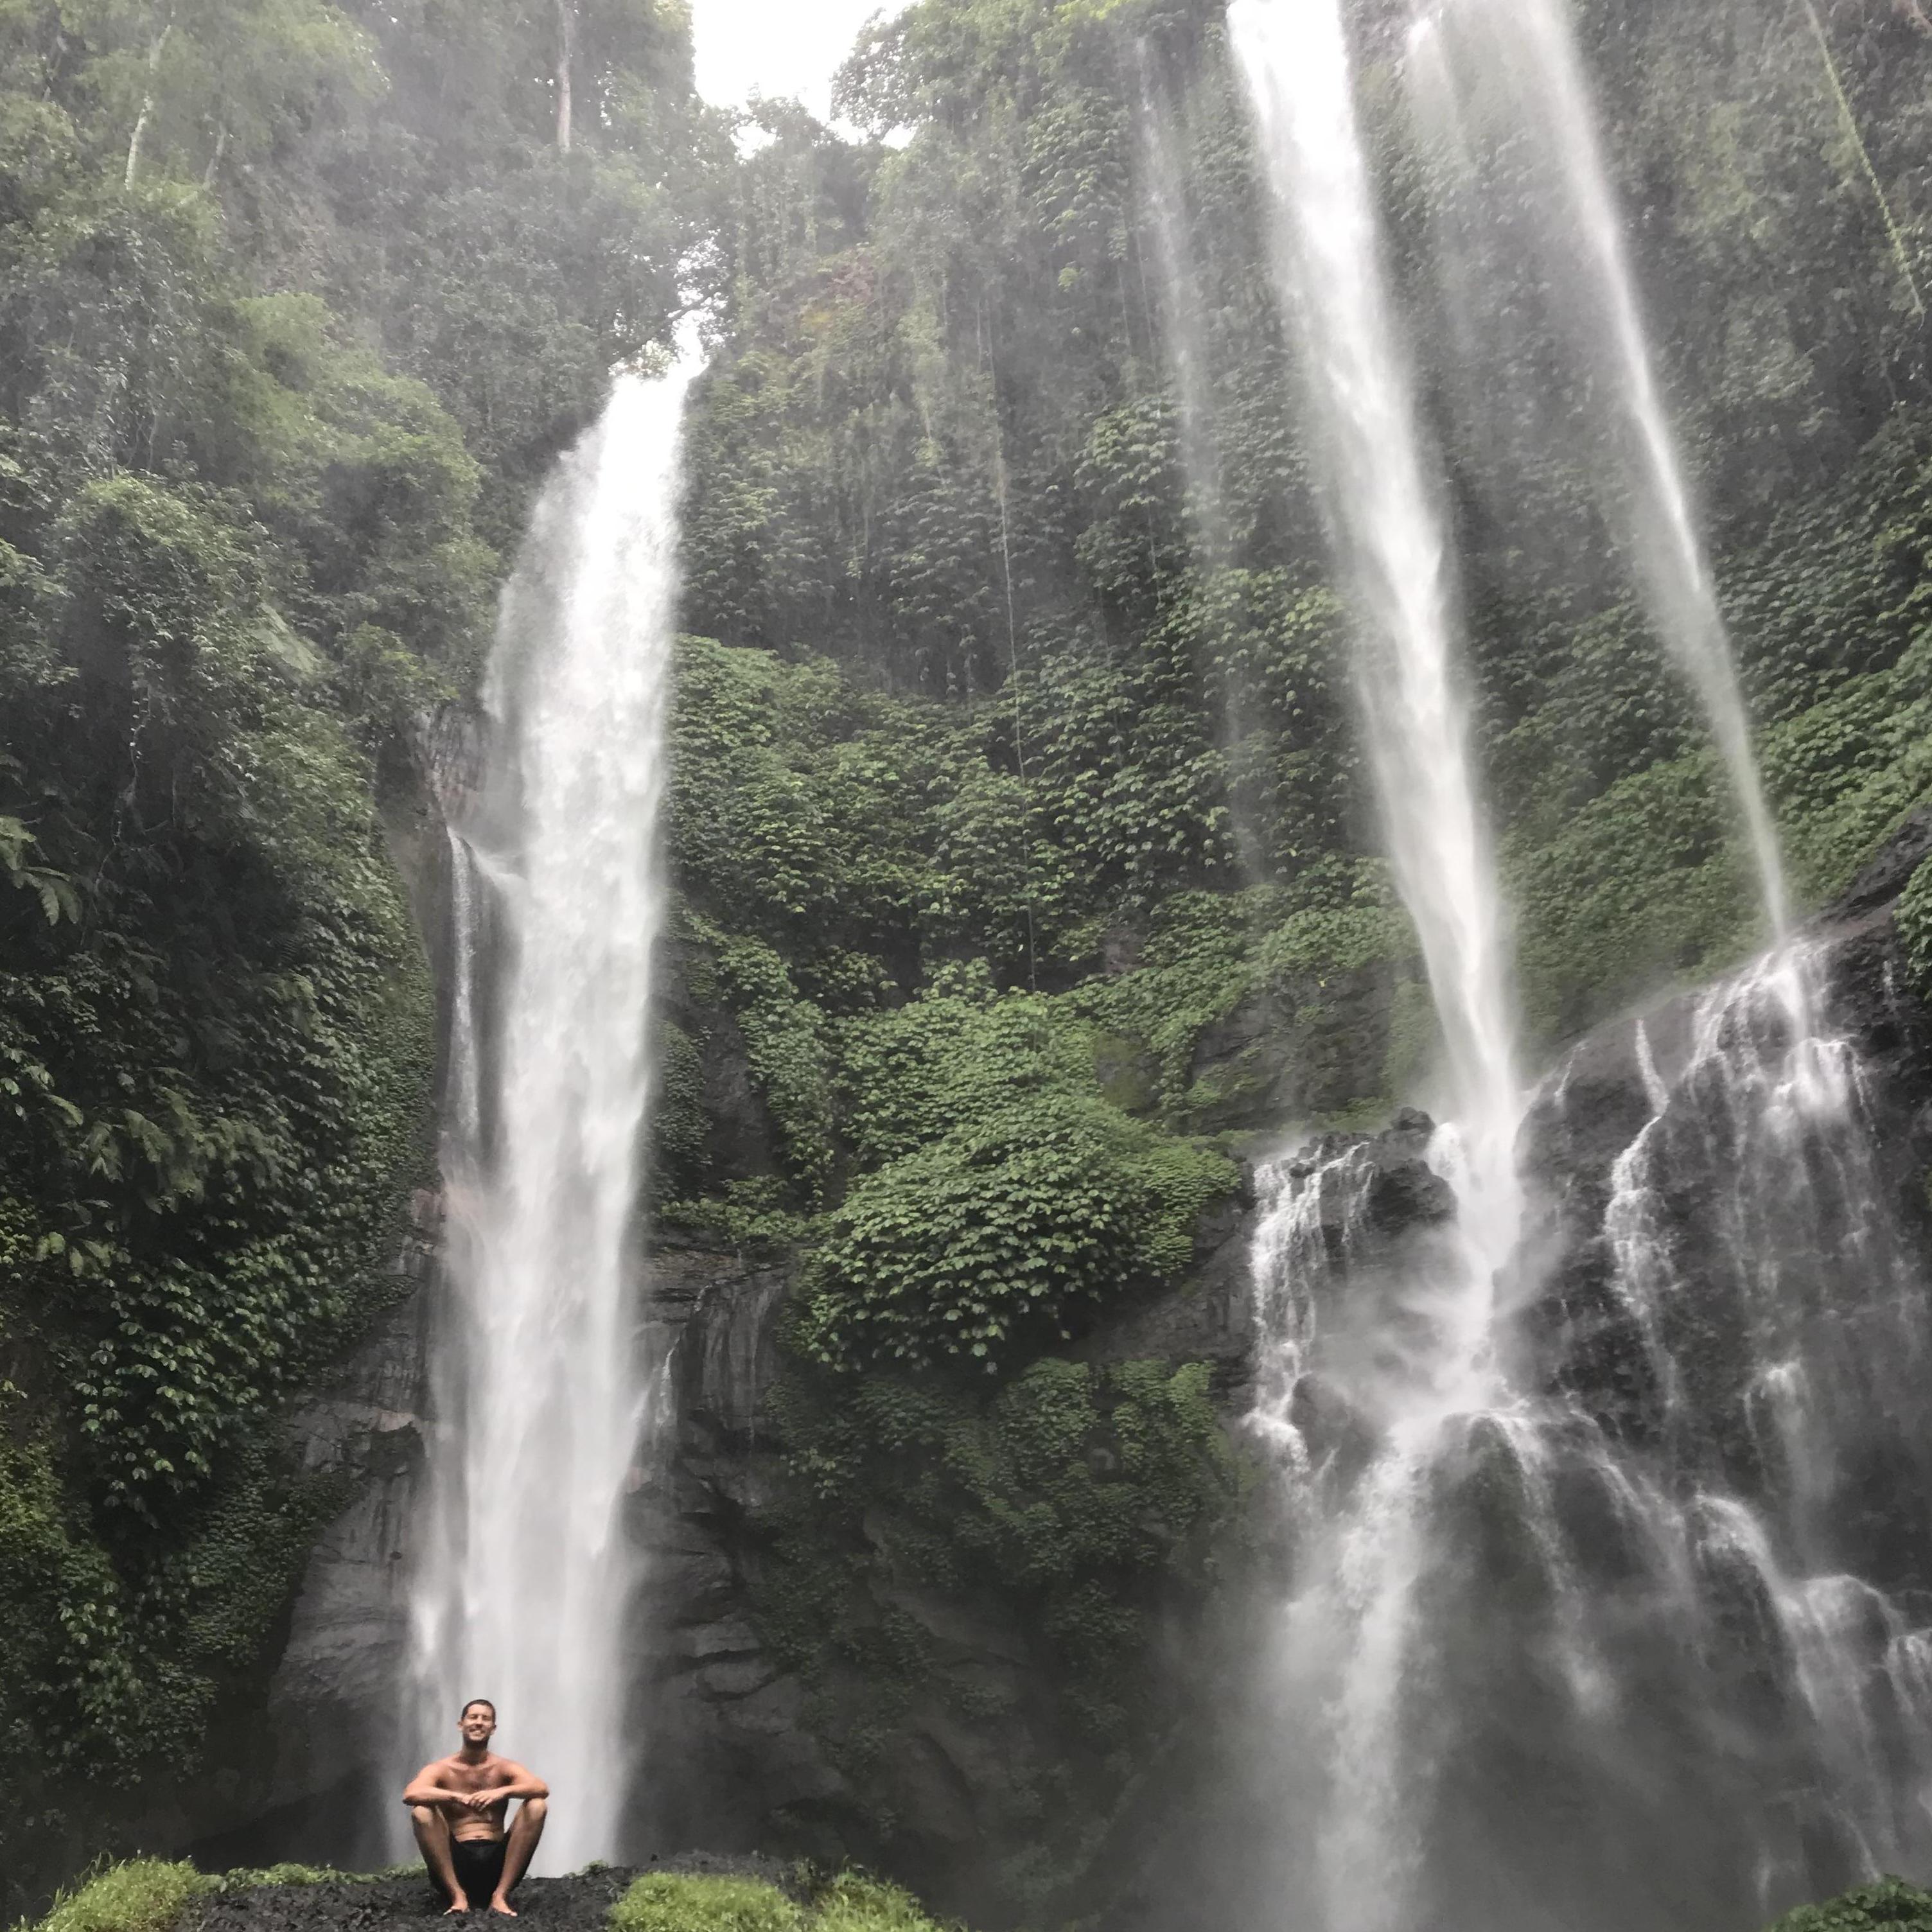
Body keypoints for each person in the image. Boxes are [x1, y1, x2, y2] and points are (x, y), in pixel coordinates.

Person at [402, 1700, 549, 1915]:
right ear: (461, 1724)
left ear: (493, 1728)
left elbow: (541, 1788)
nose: (479, 1723)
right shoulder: (442, 1769)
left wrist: (501, 1792)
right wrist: (455, 1796)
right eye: (473, 1717)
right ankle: (457, 1896)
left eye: (485, 1719)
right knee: (421, 1811)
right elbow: (411, 1794)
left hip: (497, 1864)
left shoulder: (504, 1768)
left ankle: (500, 1896)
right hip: (457, 1862)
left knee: (537, 1805)